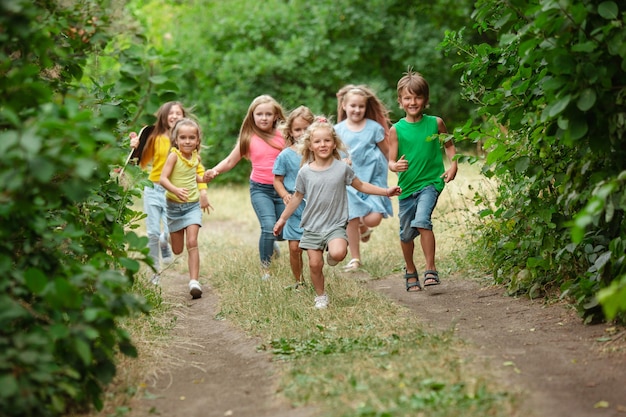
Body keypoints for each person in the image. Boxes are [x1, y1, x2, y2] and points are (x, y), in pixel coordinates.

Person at [273, 117, 401, 309]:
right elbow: (297, 197)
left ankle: (333, 255)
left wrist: (385, 191)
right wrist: (282, 219)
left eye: (327, 140)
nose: (322, 144)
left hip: (335, 224)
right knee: (315, 265)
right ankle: (321, 296)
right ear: (310, 145)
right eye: (317, 141)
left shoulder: (342, 168)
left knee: (339, 253)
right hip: (312, 226)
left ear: (334, 143)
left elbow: (361, 185)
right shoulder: (305, 172)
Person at [388, 70, 458, 292]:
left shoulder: (435, 123)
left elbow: (449, 145)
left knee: (422, 220)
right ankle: (410, 270)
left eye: (417, 97)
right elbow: (390, 160)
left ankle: (431, 269)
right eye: (407, 98)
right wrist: (395, 166)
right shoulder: (396, 129)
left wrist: (453, 164)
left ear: (425, 99)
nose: (413, 102)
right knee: (406, 234)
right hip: (407, 187)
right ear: (400, 101)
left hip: (431, 183)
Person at [203, 95, 286, 280]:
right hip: (260, 189)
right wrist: (214, 171)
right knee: (268, 227)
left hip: (282, 190)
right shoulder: (248, 138)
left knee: (282, 232)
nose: (263, 118)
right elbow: (230, 160)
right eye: (259, 114)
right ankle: (265, 270)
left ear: (275, 116)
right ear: (252, 116)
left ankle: (273, 243)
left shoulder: (284, 135)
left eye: (268, 114)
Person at [129, 101, 210, 284]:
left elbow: (197, 170)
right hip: (154, 189)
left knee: (168, 234)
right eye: (170, 113)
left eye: (178, 113)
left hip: (175, 196)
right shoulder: (155, 137)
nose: (174, 116)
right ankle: (154, 273)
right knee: (152, 233)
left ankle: (165, 240)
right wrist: (134, 146)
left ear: (183, 117)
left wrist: (203, 192)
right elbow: (140, 160)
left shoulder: (187, 141)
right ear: (164, 116)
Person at [335, 85, 393, 272]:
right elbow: (332, 156)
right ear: (344, 106)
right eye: (353, 106)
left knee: (373, 219)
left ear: (365, 107)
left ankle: (364, 226)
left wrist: (397, 168)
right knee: (352, 218)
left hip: (373, 180)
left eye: (361, 106)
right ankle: (355, 258)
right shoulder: (337, 130)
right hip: (350, 183)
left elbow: (386, 151)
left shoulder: (373, 128)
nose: (357, 110)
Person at [160, 118, 212, 299]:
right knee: (177, 250)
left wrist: (204, 177)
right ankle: (165, 237)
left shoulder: (196, 157)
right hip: (174, 207)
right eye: (183, 138)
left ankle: (194, 282)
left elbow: (194, 177)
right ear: (176, 140)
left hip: (192, 206)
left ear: (198, 140)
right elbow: (163, 179)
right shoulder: (174, 156)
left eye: (191, 137)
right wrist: (175, 190)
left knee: (192, 242)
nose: (187, 141)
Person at [273, 106, 315, 288]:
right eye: (298, 129)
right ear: (290, 131)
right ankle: (299, 281)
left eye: (306, 129)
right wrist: (284, 194)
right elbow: (277, 180)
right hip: (294, 207)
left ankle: (316, 278)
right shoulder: (285, 156)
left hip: (315, 207)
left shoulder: (319, 152)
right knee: (294, 247)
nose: (302, 133)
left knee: (314, 250)